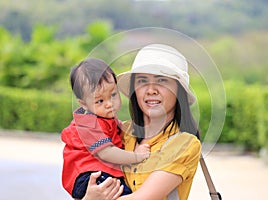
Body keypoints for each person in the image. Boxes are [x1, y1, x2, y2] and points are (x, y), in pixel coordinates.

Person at [83, 44, 201, 200]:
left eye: (162, 80)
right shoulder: (119, 132)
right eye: (142, 81)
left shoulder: (184, 144)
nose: (151, 90)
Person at [61, 58, 150, 199]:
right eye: (100, 101)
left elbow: (120, 130)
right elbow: (106, 153)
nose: (109, 104)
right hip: (89, 174)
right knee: (124, 194)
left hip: (99, 171)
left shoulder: (105, 118)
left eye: (113, 95)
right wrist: (136, 157)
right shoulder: (87, 124)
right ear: (84, 104)